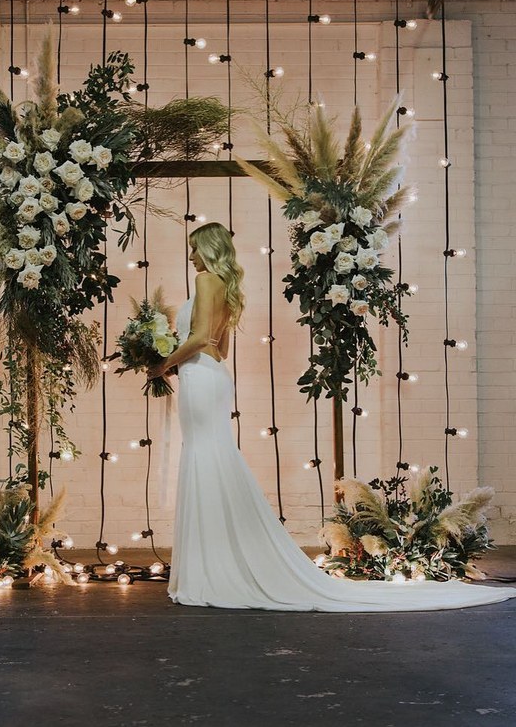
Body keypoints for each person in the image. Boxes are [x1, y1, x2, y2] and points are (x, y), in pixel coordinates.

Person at [147, 222, 515, 612]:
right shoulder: (227, 286)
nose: (190, 257)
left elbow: (202, 337)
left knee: (205, 457)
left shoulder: (206, 281)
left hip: (200, 378)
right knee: (213, 458)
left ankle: (211, 569)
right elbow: (220, 347)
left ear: (207, 249)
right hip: (212, 377)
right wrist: (179, 364)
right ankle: (218, 563)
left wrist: (163, 365)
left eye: (193, 249)